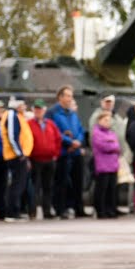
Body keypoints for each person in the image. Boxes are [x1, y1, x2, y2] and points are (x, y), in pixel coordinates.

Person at [50, 85, 88, 220]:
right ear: (60, 97)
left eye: (71, 96)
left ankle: (79, 208)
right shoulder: (53, 112)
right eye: (68, 96)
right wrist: (68, 142)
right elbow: (54, 131)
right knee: (62, 182)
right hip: (63, 152)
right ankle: (61, 209)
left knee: (78, 181)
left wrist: (77, 141)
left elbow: (80, 129)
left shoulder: (72, 114)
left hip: (76, 152)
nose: (70, 98)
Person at [0, 98, 34, 222]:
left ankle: (16, 210)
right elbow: (12, 136)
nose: (25, 107)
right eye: (23, 104)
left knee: (19, 184)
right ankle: (11, 212)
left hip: (20, 155)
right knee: (16, 184)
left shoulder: (18, 116)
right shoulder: (11, 115)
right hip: (15, 156)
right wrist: (20, 153)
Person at [27, 99, 62, 220]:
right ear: (33, 110)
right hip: (35, 159)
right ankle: (32, 211)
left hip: (49, 159)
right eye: (36, 109)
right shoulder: (29, 124)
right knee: (35, 186)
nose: (38, 111)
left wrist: (55, 154)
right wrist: (28, 157)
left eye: (40, 109)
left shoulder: (50, 124)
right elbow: (26, 141)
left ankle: (47, 210)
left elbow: (58, 139)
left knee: (48, 186)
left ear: (44, 110)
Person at [90, 109, 122, 219]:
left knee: (111, 189)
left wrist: (112, 146)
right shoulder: (96, 132)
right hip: (103, 165)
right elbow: (103, 146)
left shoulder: (112, 133)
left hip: (113, 164)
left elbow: (117, 145)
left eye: (109, 120)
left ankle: (111, 209)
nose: (108, 122)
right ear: (99, 120)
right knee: (101, 189)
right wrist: (112, 145)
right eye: (105, 120)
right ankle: (100, 210)